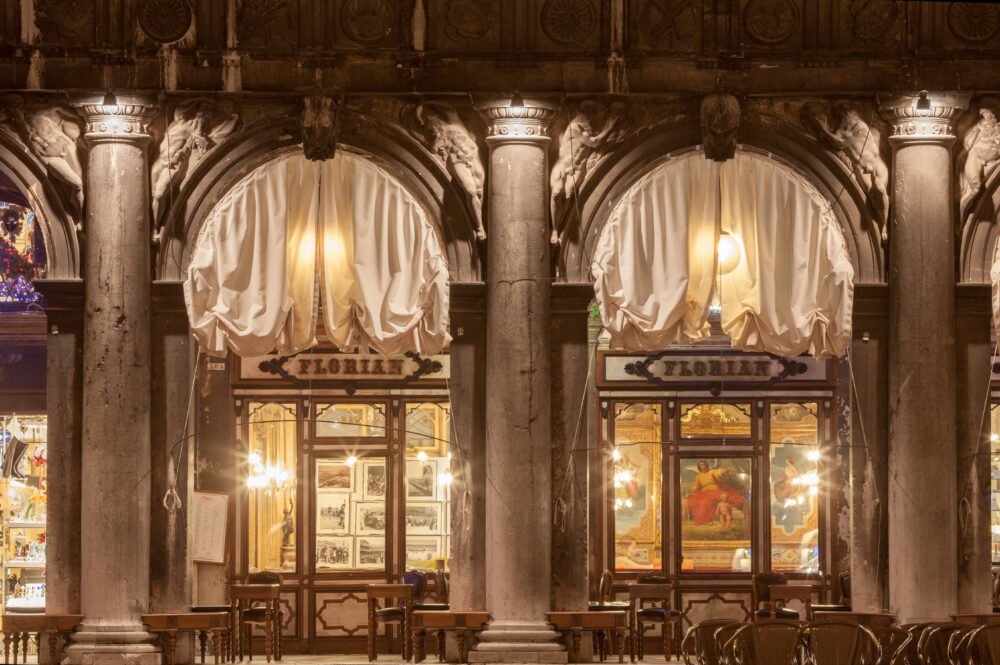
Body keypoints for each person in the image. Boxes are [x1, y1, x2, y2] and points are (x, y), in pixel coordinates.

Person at [685, 460, 745, 525]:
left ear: (706, 465)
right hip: (705, 492)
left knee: (725, 498)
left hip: (715, 491)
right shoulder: (698, 476)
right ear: (699, 467)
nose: (702, 466)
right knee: (700, 502)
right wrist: (692, 490)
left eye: (703, 464)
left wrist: (723, 471)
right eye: (701, 465)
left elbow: (718, 473)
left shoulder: (711, 472)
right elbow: (696, 486)